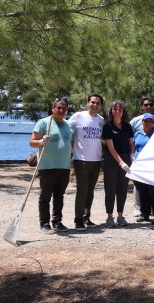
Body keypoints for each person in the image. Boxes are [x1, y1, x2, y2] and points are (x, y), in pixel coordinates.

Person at [30, 98, 73, 234]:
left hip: (64, 166)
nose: (61, 111)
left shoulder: (68, 124)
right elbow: (32, 142)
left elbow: (70, 144)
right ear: (53, 108)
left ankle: (57, 222)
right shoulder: (44, 123)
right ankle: (44, 224)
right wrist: (41, 141)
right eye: (59, 108)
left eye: (64, 108)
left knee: (59, 196)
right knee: (45, 196)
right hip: (47, 166)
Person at [69, 93, 104, 231]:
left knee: (90, 191)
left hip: (96, 160)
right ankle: (78, 220)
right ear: (88, 103)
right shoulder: (78, 116)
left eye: (98, 103)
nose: (95, 105)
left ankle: (86, 217)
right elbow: (67, 130)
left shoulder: (101, 120)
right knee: (82, 190)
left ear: (100, 105)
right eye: (93, 102)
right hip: (81, 160)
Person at [129, 97, 154, 217]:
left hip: (153, 165)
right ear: (142, 122)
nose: (148, 123)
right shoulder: (137, 133)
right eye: (146, 121)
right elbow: (133, 146)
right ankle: (145, 214)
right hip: (139, 165)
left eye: (150, 121)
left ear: (153, 123)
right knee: (142, 190)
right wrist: (132, 156)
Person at [101, 100, 134, 227]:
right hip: (111, 160)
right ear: (111, 111)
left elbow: (132, 144)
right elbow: (111, 148)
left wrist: (132, 154)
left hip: (126, 159)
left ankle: (120, 215)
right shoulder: (107, 126)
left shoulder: (127, 126)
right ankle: (109, 216)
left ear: (123, 112)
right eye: (115, 109)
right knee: (110, 189)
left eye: (120, 109)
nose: (117, 112)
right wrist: (121, 163)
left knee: (122, 189)